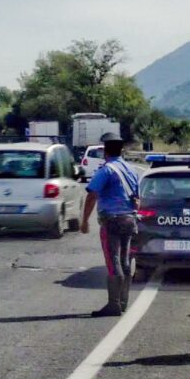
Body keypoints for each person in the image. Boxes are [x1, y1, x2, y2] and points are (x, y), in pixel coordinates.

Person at [80, 131, 140, 316]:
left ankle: (113, 305)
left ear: (105, 150)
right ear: (121, 150)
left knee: (113, 261)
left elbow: (92, 195)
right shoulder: (130, 170)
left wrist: (84, 221)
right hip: (130, 219)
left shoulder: (106, 170)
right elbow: (137, 197)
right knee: (125, 260)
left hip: (112, 221)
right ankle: (123, 302)